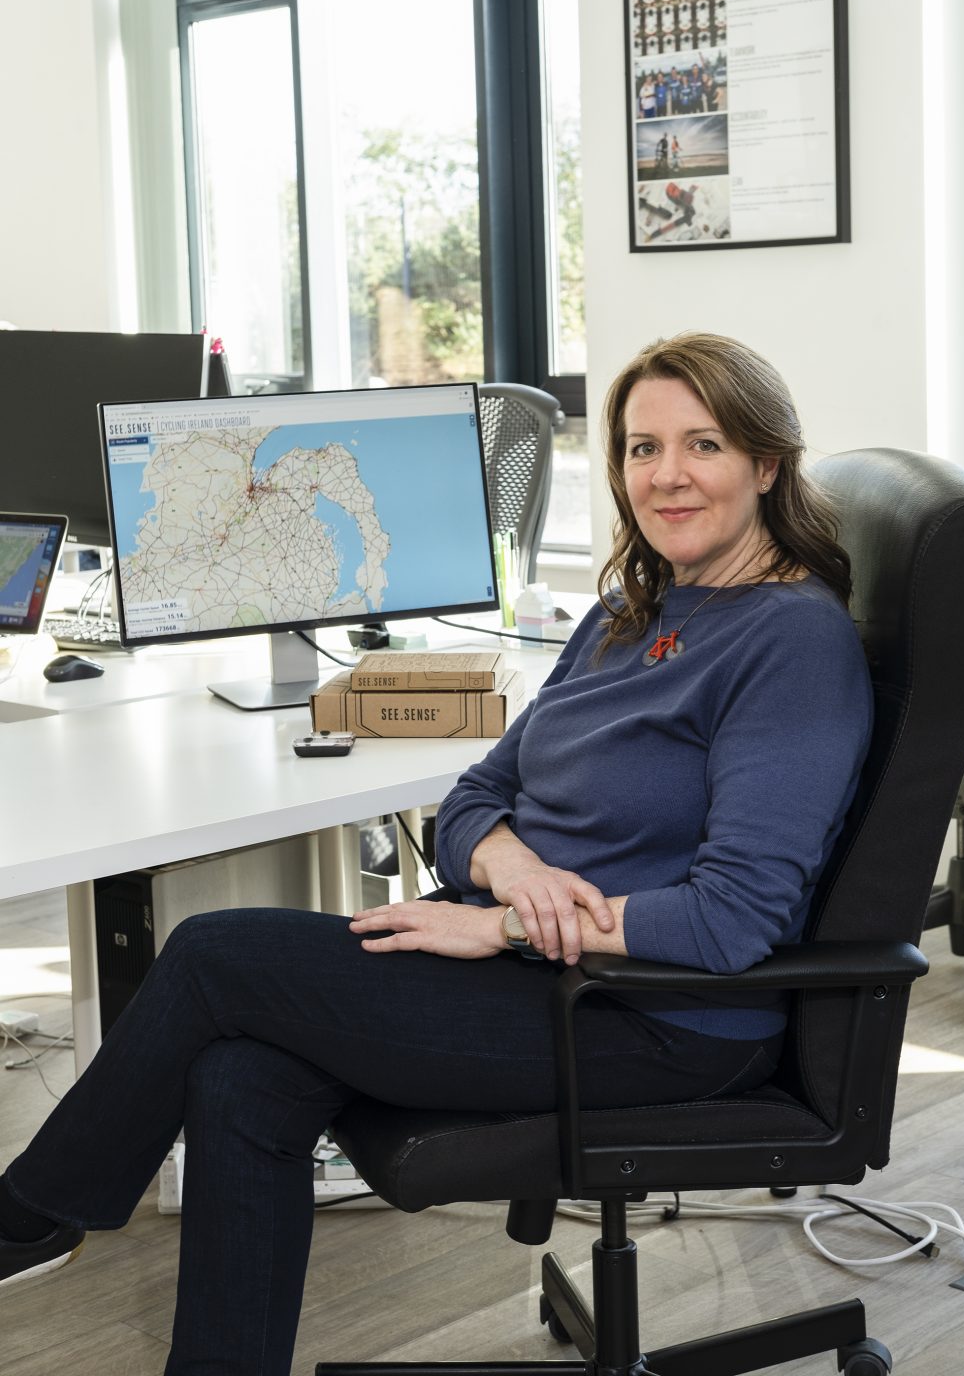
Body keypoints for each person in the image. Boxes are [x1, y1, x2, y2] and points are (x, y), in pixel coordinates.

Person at [0, 332, 873, 1375]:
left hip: (650, 1012)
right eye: (642, 448)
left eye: (704, 445)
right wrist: (511, 869)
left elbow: (737, 919)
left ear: (767, 465)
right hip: (546, 971)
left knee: (211, 955)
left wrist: (493, 921)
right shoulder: (633, 605)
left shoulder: (792, 644)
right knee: (241, 1079)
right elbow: (478, 794)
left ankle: (31, 1217)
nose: (666, 475)